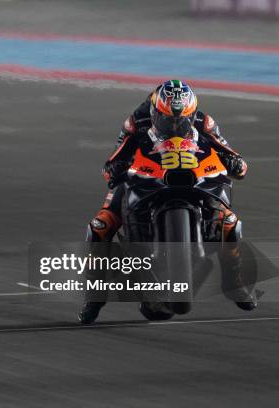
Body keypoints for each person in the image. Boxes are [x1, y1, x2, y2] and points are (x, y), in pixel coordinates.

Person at [79, 79, 251, 324]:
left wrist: (235, 163)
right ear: (155, 111)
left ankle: (234, 283)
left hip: (192, 174)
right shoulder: (135, 123)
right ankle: (94, 296)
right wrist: (116, 168)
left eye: (182, 120)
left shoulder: (205, 122)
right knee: (100, 226)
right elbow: (114, 161)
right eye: (167, 119)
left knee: (231, 222)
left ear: (191, 115)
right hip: (145, 174)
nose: (174, 124)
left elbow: (230, 153)